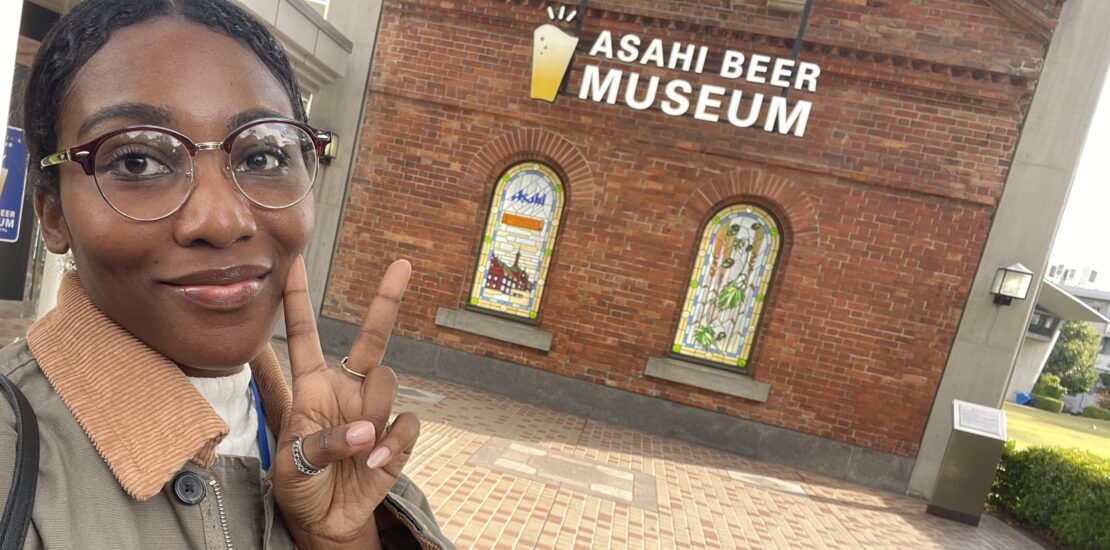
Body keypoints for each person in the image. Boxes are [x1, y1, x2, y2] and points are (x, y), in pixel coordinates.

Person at [0, 0, 453, 548]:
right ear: (52, 213)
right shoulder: (13, 460)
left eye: (262, 157)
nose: (223, 219)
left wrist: (343, 537)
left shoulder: (346, 456)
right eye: (138, 160)